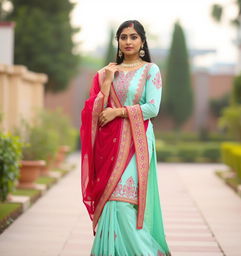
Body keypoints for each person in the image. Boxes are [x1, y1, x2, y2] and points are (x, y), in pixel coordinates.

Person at [80, 20, 171, 256]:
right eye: (123, 37)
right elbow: (95, 112)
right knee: (111, 202)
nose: (128, 41)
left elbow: (153, 108)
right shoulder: (106, 72)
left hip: (136, 144)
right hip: (109, 146)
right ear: (118, 42)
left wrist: (118, 112)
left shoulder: (151, 70)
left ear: (142, 41)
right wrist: (108, 82)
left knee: (123, 203)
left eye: (133, 37)